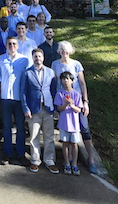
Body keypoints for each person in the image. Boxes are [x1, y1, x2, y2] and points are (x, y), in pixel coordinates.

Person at [52, 41, 97, 174]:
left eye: (66, 51)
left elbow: (82, 83)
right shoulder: (55, 64)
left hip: (77, 102)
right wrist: (56, 107)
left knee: (84, 129)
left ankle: (91, 159)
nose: (64, 53)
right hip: (63, 101)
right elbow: (54, 84)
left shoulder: (76, 64)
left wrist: (85, 101)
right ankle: (69, 159)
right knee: (67, 130)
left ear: (70, 51)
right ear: (59, 51)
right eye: (62, 51)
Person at [20, 48, 58, 173]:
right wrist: (26, 108)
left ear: (43, 58)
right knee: (34, 137)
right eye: (35, 56)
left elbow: (54, 91)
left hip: (48, 108)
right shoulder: (27, 73)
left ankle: (49, 160)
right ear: (33, 58)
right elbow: (23, 92)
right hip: (34, 109)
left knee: (49, 136)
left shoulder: (50, 72)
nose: (38, 59)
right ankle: (35, 161)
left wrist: (55, 108)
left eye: (39, 56)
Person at [0, 36, 30, 165]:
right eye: (9, 43)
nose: (12, 46)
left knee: (21, 127)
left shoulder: (24, 60)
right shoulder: (0, 59)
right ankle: (7, 153)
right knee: (6, 127)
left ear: (18, 45)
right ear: (6, 45)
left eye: (14, 44)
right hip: (5, 98)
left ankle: (21, 154)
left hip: (19, 98)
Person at [55, 71, 83, 176]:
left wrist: (71, 105)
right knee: (65, 143)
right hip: (64, 122)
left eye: (68, 79)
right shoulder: (60, 93)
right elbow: (59, 108)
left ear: (72, 81)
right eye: (63, 79)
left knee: (74, 143)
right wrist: (65, 104)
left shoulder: (76, 94)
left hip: (74, 123)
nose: (66, 81)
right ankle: (66, 162)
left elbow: (78, 110)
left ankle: (74, 164)